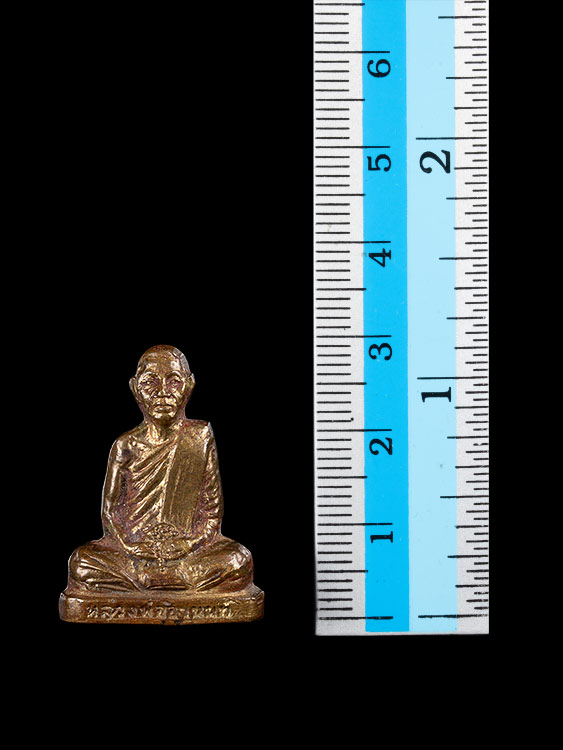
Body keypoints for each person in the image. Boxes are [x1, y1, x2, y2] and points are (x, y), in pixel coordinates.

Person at [65, 345, 253, 593]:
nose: (163, 392)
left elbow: (211, 515)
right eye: (150, 383)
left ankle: (152, 581)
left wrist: (188, 545)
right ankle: (170, 581)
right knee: (81, 562)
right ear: (135, 388)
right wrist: (130, 548)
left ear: (189, 386)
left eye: (174, 381)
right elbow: (110, 514)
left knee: (238, 559)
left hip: (186, 553)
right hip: (135, 553)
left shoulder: (198, 438)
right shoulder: (125, 446)